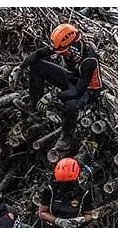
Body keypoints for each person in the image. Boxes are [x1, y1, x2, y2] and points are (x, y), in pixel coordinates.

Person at [19, 23, 103, 153]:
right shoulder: (65, 45)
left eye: (64, 52)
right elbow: (38, 54)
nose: (62, 55)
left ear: (73, 47)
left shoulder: (89, 60)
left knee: (71, 104)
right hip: (72, 78)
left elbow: (77, 92)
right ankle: (33, 106)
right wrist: (20, 67)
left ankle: (66, 136)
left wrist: (53, 96)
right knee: (37, 66)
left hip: (88, 90)